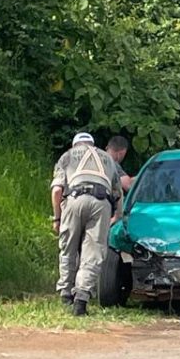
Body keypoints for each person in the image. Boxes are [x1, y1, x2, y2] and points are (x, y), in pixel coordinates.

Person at [51, 132, 123, 316]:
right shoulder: (108, 158)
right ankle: (81, 300)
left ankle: (66, 295)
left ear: (75, 145)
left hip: (74, 199)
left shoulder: (67, 156)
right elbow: (118, 192)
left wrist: (57, 218)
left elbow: (57, 190)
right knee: (93, 251)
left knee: (68, 248)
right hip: (101, 202)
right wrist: (117, 215)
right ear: (93, 145)